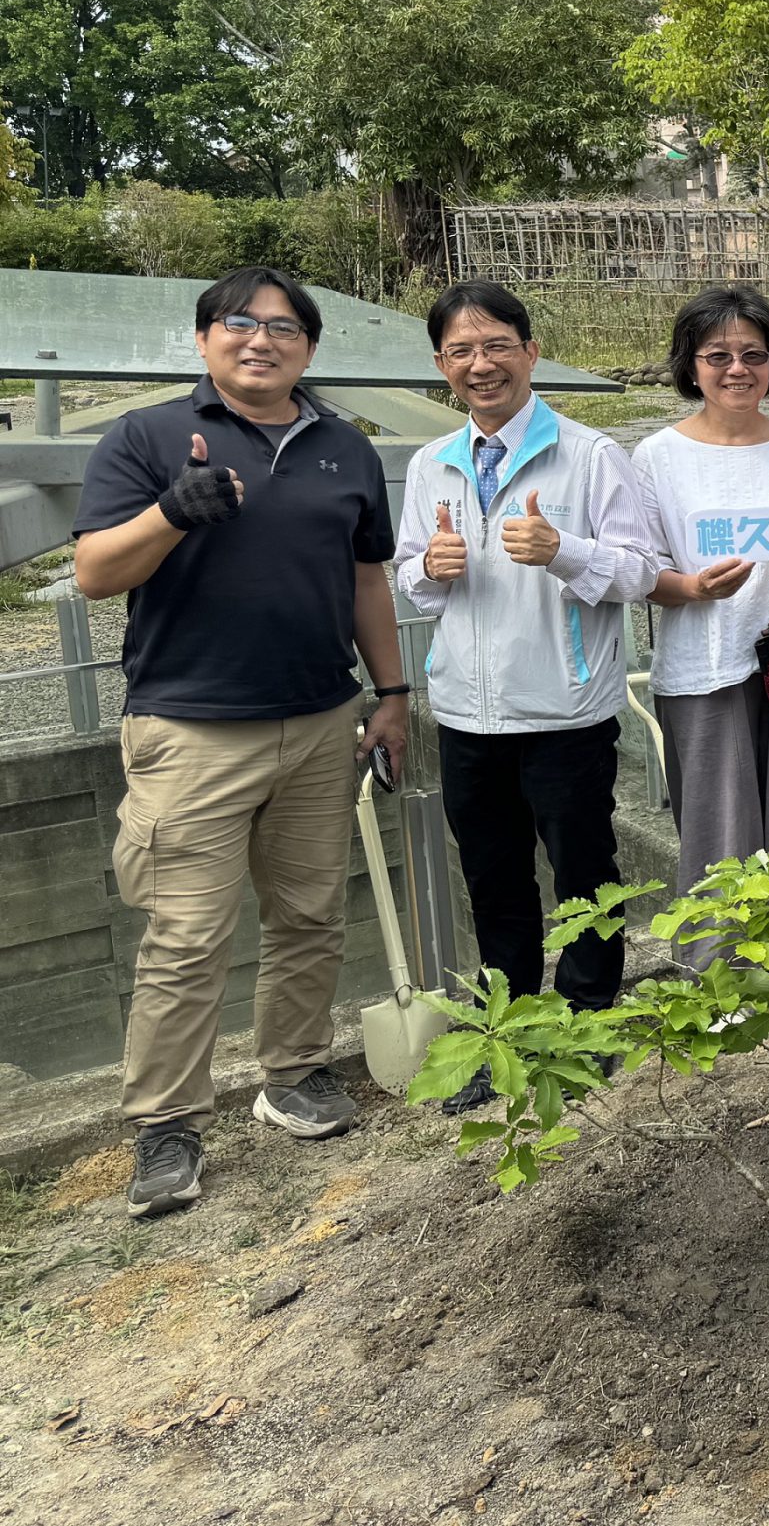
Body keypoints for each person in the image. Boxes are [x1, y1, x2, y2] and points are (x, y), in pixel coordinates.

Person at [74, 267, 407, 1217]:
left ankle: (293, 1074)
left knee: (307, 912)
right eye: (238, 323)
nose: (260, 340)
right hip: (189, 728)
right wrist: (172, 510)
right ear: (204, 339)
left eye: (283, 327)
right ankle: (167, 1123)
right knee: (186, 934)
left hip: (316, 716)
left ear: (308, 346)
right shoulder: (146, 438)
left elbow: (367, 581)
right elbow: (95, 572)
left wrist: (389, 693)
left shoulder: (343, 444)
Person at [395, 281, 659, 1111]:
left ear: (531, 351)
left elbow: (644, 569)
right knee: (495, 880)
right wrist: (426, 572)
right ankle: (506, 1034)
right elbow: (411, 578)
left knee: (584, 874)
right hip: (468, 714)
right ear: (442, 366)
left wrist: (565, 549)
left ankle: (588, 1020)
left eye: (497, 345)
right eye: (461, 352)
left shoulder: (589, 455)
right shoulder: (428, 462)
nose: (481, 365)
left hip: (565, 709)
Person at [632, 286, 769, 965]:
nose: (737, 368)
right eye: (717, 354)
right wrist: (689, 587)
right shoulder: (655, 458)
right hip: (702, 664)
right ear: (690, 364)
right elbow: (643, 569)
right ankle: (716, 977)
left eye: (753, 354)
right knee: (715, 830)